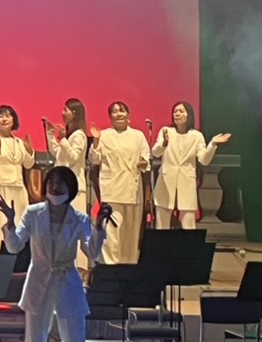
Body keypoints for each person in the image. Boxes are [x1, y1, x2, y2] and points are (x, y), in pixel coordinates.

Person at [0, 165, 108, 342]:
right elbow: (14, 246)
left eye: (60, 183)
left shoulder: (79, 218)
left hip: (68, 282)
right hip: (39, 282)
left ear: (70, 188)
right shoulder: (33, 213)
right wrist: (10, 222)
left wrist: (98, 227)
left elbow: (92, 252)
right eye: (52, 182)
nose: (55, 187)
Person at [152, 101, 229, 230]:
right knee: (162, 225)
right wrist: (163, 144)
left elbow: (204, 160)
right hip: (166, 181)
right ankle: (162, 244)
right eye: (175, 111)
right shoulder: (166, 131)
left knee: (188, 224)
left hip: (186, 181)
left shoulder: (196, 136)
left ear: (189, 115)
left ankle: (188, 243)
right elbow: (155, 152)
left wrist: (212, 144)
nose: (177, 114)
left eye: (181, 111)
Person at [89, 100, 150, 264]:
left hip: (132, 190)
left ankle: (129, 267)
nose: (119, 114)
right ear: (110, 116)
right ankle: (110, 267)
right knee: (111, 233)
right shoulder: (104, 135)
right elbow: (95, 159)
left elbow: (146, 158)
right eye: (115, 112)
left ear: (128, 114)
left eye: (122, 111)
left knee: (130, 233)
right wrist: (95, 141)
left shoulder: (138, 136)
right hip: (112, 190)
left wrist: (143, 163)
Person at [0, 105, 34, 254]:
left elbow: (28, 164)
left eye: (8, 116)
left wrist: (29, 150)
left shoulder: (18, 142)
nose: (4, 119)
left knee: (20, 225)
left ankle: (20, 259)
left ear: (13, 120)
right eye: (1, 116)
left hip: (18, 188)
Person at [47, 98, 92, 214]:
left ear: (74, 113)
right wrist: (50, 134)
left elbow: (73, 158)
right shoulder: (70, 135)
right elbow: (57, 153)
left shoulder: (79, 135)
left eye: (66, 110)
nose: (63, 113)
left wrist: (63, 139)